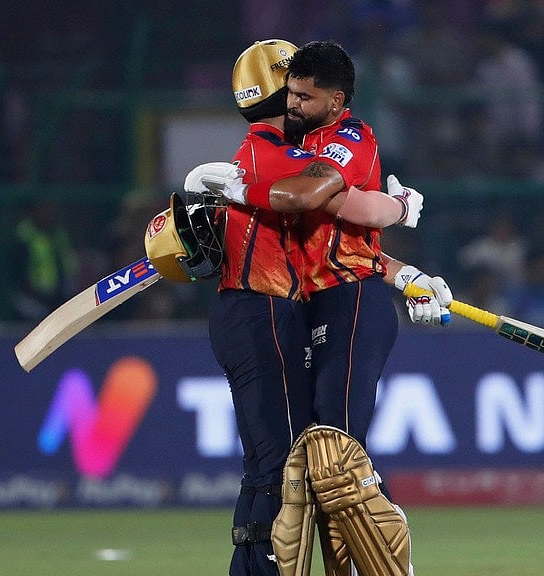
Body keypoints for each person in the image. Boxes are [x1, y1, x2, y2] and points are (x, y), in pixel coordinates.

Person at [188, 40, 453, 576]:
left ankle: (375, 542)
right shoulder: (279, 148)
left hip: (348, 301)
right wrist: (399, 227)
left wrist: (401, 243)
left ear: (335, 100)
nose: (294, 104)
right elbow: (338, 223)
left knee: (332, 454)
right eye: (289, 93)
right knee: (311, 464)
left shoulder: (346, 138)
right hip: (298, 306)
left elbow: (316, 203)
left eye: (305, 96)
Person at [8, 200, 78, 321]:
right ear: (33, 211)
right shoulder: (24, 237)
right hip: (31, 298)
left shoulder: (58, 233)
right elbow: (17, 272)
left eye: (50, 209)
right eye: (44, 209)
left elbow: (68, 263)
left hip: (58, 295)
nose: (48, 213)